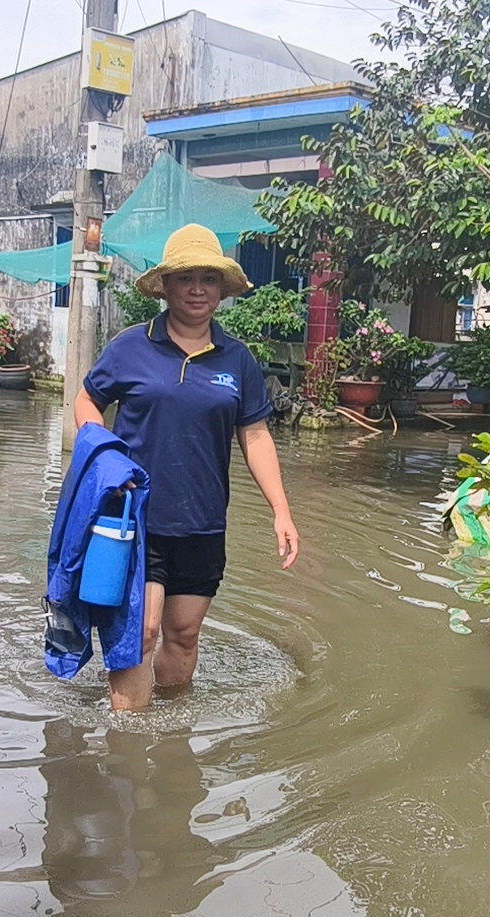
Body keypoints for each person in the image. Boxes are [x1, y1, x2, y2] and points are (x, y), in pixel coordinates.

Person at [74, 224, 299, 710]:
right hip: (135, 515)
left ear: (221, 290)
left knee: (183, 634)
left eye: (209, 279)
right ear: (166, 287)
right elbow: (88, 400)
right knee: (143, 629)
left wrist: (281, 509)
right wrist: (104, 454)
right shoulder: (132, 346)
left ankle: (171, 738)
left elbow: (255, 434)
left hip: (202, 521)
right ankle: (128, 748)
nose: (197, 289)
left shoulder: (238, 360)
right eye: (185, 278)